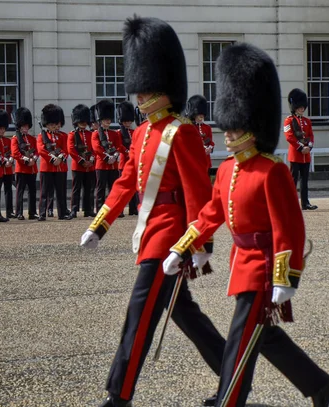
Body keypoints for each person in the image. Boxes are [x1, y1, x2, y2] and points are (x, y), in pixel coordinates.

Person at [163, 43, 329, 407]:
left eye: (234, 127)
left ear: (252, 127)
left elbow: (289, 228)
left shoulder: (272, 170)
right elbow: (211, 213)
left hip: (263, 267)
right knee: (264, 337)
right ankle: (320, 384)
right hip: (241, 262)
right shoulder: (228, 168)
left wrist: (286, 276)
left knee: (241, 336)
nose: (225, 133)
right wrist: (183, 248)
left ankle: (230, 399)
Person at [80, 16, 226, 407]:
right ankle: (235, 379)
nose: (138, 96)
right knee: (188, 317)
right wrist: (101, 223)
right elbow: (127, 182)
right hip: (149, 233)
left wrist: (199, 243)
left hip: (169, 238)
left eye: (144, 89)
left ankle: (119, 394)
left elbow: (198, 191)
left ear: (162, 88)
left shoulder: (183, 132)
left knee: (139, 316)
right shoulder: (143, 133)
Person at [284, 88, 317, 210]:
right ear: (295, 107)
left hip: (306, 155)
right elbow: (289, 137)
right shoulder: (289, 121)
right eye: (299, 107)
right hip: (296, 154)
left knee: (304, 182)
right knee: (293, 181)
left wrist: (309, 147)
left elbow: (311, 136)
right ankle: (290, 203)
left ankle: (305, 203)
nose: (302, 109)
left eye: (303, 107)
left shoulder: (307, 121)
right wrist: (300, 148)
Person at [37, 104, 71, 221]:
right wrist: (52, 159)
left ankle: (62, 213)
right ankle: (42, 213)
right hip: (47, 167)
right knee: (44, 192)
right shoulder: (42, 136)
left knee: (61, 192)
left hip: (60, 167)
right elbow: (41, 149)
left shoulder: (63, 136)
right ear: (47, 124)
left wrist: (60, 158)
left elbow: (66, 149)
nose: (55, 127)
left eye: (56, 124)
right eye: (52, 124)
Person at [91, 98, 122, 212]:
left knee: (113, 188)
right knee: (101, 189)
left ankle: (113, 208)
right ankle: (100, 209)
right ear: (100, 120)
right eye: (105, 119)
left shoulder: (114, 133)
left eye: (109, 119)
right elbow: (96, 147)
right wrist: (107, 157)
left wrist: (115, 156)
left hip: (113, 164)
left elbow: (118, 146)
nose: (108, 121)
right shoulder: (96, 134)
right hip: (102, 164)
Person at [68, 104, 96, 218]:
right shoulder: (72, 134)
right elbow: (71, 150)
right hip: (78, 166)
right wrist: (82, 161)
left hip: (90, 165)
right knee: (76, 189)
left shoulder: (91, 134)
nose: (84, 123)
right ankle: (74, 210)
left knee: (89, 189)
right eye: (81, 121)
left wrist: (91, 161)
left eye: (85, 121)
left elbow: (94, 148)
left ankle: (88, 209)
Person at [11, 107, 39, 220]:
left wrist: (34, 158)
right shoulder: (15, 139)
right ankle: (19, 212)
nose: (25, 128)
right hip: (22, 168)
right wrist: (27, 160)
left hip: (32, 168)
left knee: (32, 191)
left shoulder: (32, 139)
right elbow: (15, 153)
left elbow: (37, 151)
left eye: (27, 126)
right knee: (20, 191)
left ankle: (32, 212)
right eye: (23, 126)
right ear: (19, 126)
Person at [116, 101, 138, 216]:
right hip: (124, 162)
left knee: (134, 188)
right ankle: (120, 210)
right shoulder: (119, 132)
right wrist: (127, 152)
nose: (128, 123)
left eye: (129, 121)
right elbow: (119, 145)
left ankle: (133, 208)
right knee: (123, 188)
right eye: (126, 121)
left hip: (133, 162)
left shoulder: (134, 132)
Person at [185, 94, 215, 169]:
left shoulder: (207, 128)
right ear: (194, 115)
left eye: (202, 116)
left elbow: (211, 142)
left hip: (205, 160)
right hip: (193, 159)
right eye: (199, 116)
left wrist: (210, 148)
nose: (201, 118)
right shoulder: (189, 127)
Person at [0, 110, 16, 218]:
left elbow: (12, 153)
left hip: (8, 169)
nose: (2, 131)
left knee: (9, 191)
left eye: (3, 129)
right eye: (0, 129)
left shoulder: (8, 141)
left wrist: (11, 160)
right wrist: (4, 161)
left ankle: (10, 211)